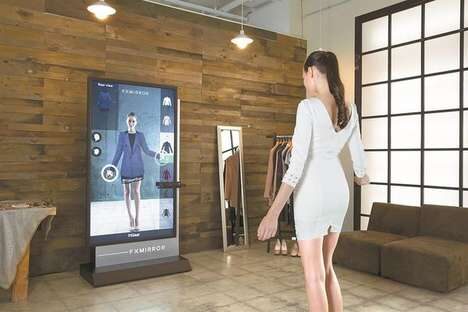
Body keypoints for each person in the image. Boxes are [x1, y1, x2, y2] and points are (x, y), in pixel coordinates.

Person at [257, 50, 370, 312]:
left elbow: (296, 166)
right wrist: (362, 175)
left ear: (311, 72)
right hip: (339, 193)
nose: (304, 82)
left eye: (304, 77)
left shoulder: (307, 107)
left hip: (312, 193)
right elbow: (358, 152)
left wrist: (272, 214)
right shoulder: (349, 108)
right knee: (327, 269)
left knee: (313, 275)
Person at [112, 112, 157, 232]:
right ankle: (130, 217)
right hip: (126, 167)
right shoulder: (122, 135)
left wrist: (157, 154)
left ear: (136, 122)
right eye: (129, 121)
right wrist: (112, 167)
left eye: (133, 121)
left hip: (138, 167)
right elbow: (118, 152)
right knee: (126, 192)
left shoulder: (141, 135)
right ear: (126, 122)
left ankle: (137, 218)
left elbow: (147, 150)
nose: (131, 123)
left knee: (136, 192)